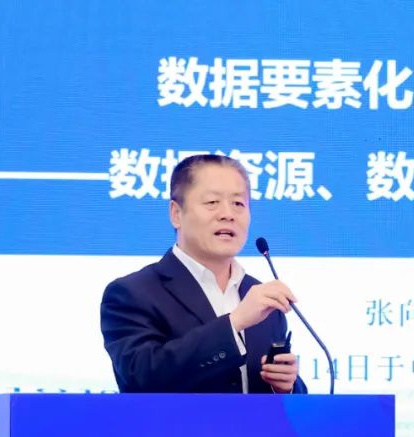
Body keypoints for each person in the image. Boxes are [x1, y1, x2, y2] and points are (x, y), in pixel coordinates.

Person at [100, 154, 306, 394]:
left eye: (238, 204)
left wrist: (286, 386)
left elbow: (288, 403)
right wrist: (234, 323)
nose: (228, 214)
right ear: (176, 213)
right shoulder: (132, 293)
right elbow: (141, 377)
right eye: (212, 202)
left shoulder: (262, 299)